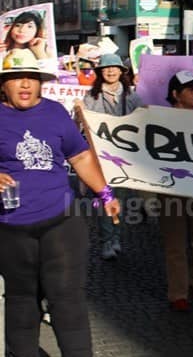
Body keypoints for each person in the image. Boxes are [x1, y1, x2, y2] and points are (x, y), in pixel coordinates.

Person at [0, 48, 120, 356]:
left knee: (67, 300)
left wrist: (105, 194)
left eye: (31, 78)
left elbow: (79, 156)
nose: (24, 85)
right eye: (16, 79)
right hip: (11, 229)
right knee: (21, 301)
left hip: (61, 222)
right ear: (4, 85)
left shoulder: (54, 112)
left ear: (40, 83)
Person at [160, 71, 193, 311]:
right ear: (175, 94)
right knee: (176, 243)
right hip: (169, 188)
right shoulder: (158, 119)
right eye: (190, 89)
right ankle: (178, 293)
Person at [83, 53, 144, 260]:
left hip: (125, 158)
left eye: (114, 68)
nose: (110, 71)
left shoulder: (133, 96)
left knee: (122, 200)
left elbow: (143, 121)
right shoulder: (91, 97)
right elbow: (83, 124)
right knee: (104, 198)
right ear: (100, 72)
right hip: (100, 158)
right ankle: (106, 240)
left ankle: (116, 237)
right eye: (106, 68)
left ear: (121, 71)